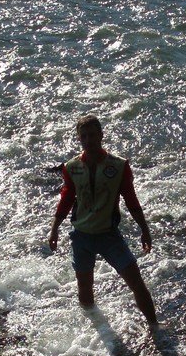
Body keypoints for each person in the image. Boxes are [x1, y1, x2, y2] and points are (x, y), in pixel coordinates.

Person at [48, 115, 159, 326]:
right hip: (81, 237)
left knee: (136, 283)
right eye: (83, 136)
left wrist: (144, 229)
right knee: (84, 289)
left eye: (92, 135)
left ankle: (155, 328)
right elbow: (66, 199)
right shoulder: (72, 167)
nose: (88, 140)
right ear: (79, 139)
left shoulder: (119, 166)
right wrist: (54, 229)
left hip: (109, 236)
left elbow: (131, 200)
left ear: (101, 135)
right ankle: (98, 331)